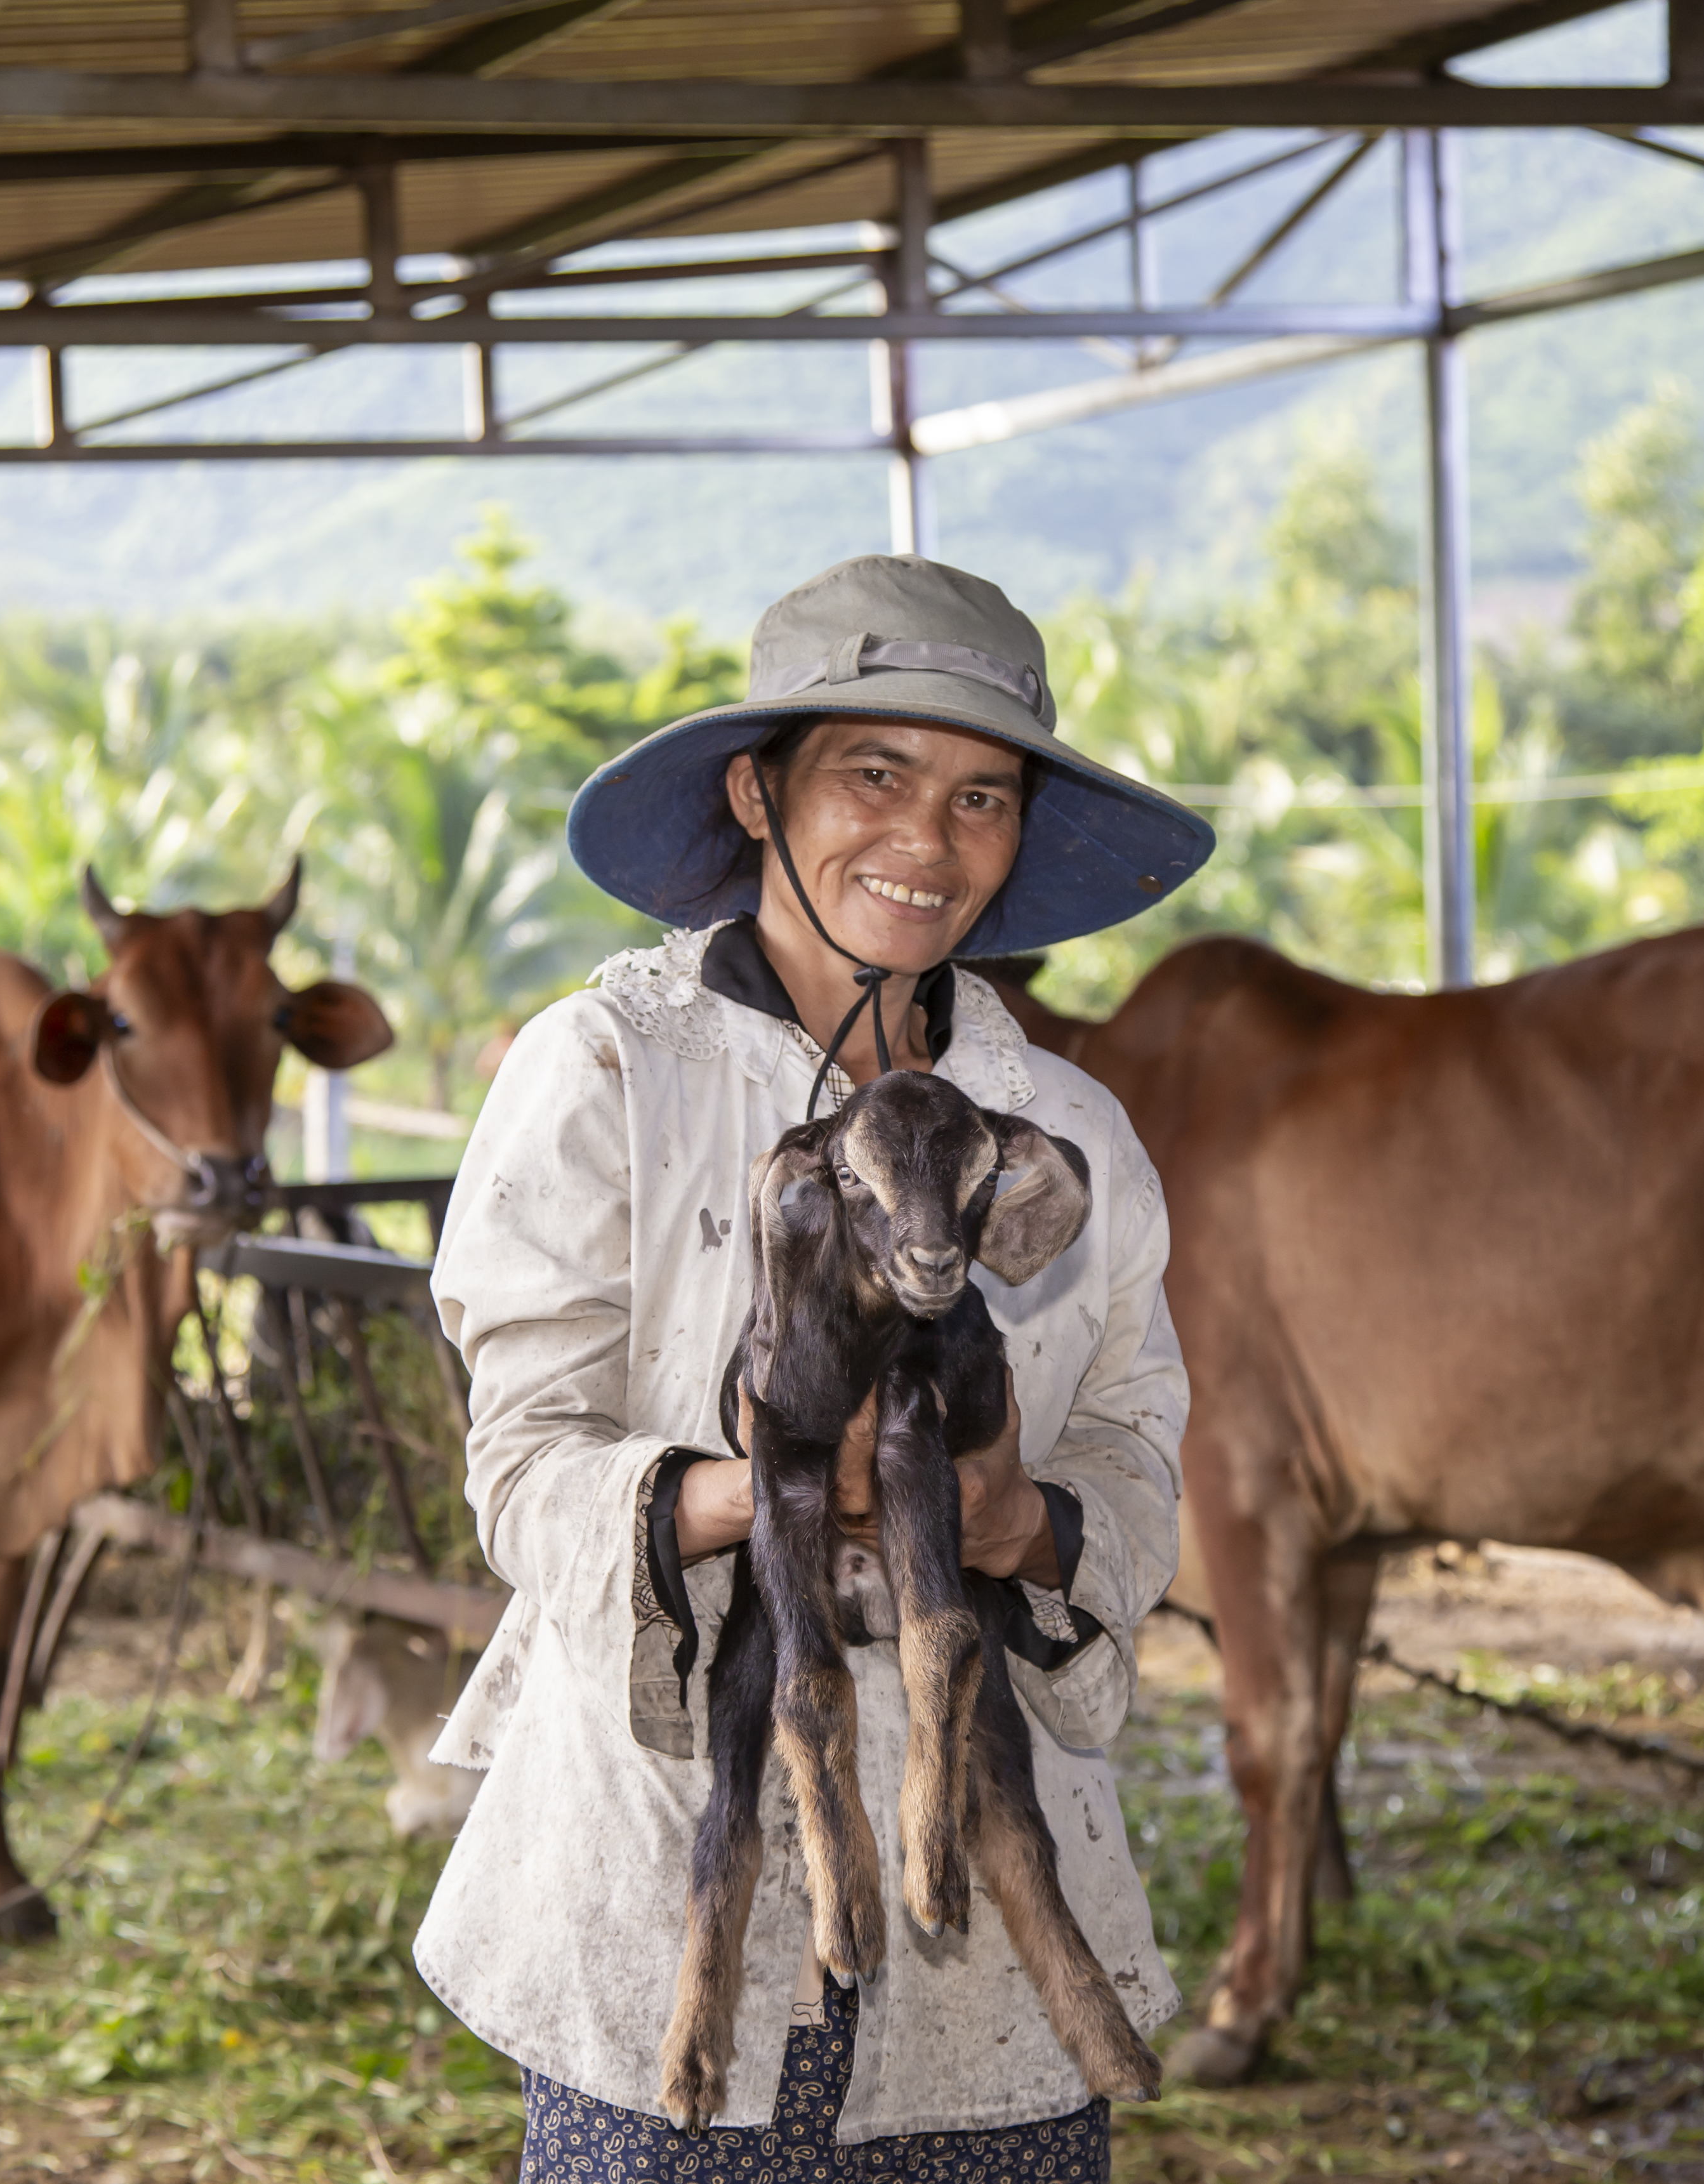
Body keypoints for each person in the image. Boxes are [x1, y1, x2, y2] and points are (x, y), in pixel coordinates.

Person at [417, 555, 1215, 2180]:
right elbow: (524, 1460)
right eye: (873, 772)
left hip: (990, 1985)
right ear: (753, 791)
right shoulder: (608, 1069)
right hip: (660, 1885)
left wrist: (1020, 1523)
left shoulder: (1060, 1132)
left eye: (981, 796)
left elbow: (1136, 1449)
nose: (926, 839)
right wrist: (759, 1492)